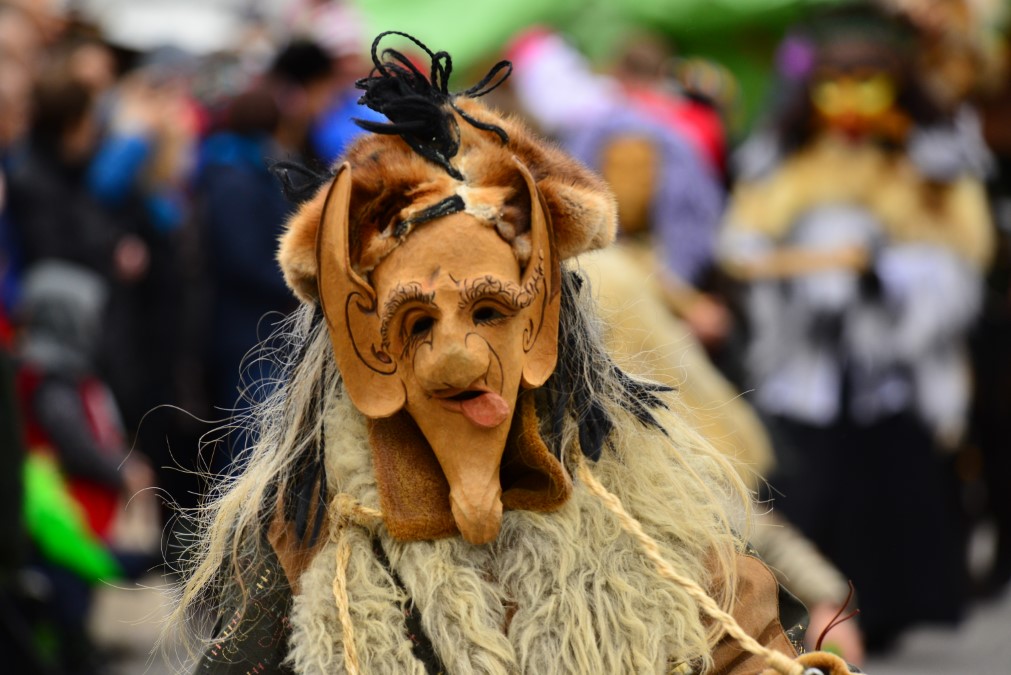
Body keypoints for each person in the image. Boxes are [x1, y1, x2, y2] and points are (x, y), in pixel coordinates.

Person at [170, 32, 857, 675]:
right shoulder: (310, 540)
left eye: (490, 311)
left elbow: (733, 595)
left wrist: (811, 600)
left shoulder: (639, 505)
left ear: (540, 327)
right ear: (367, 346)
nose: (458, 357)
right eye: (415, 322)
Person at [718, 3, 993, 651]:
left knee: (890, 486)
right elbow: (741, 242)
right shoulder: (782, 160)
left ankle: (887, 609)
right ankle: (807, 610)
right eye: (832, 84)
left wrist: (886, 276)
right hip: (802, 358)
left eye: (865, 83)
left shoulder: (927, 166)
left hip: (891, 362)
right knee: (805, 485)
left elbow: (962, 253)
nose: (847, 101)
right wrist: (798, 274)